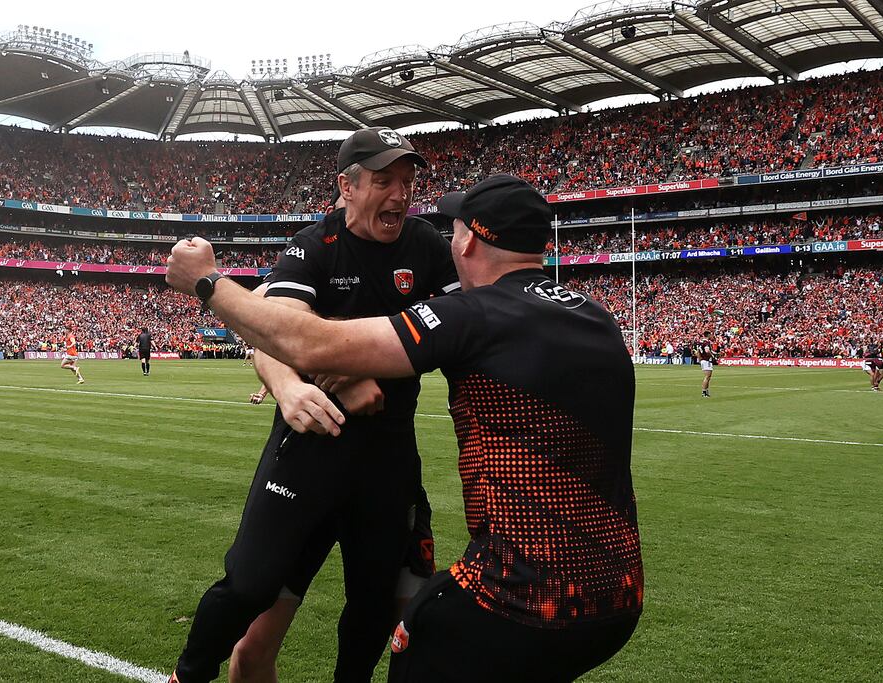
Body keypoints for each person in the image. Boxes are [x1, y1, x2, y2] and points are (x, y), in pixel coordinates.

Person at [166, 173, 643, 683]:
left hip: (519, 598)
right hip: (617, 601)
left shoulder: (471, 315)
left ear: (468, 241)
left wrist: (207, 282)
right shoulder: (597, 317)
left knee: (416, 628)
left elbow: (311, 344)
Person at [168, 126, 459, 683]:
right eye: (384, 181)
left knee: (373, 603)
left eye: (407, 180)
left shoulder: (427, 246)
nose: (400, 193)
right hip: (309, 450)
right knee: (249, 586)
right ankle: (187, 675)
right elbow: (273, 332)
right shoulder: (313, 245)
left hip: (388, 454)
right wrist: (289, 385)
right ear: (346, 187)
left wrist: (342, 359)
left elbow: (461, 330)